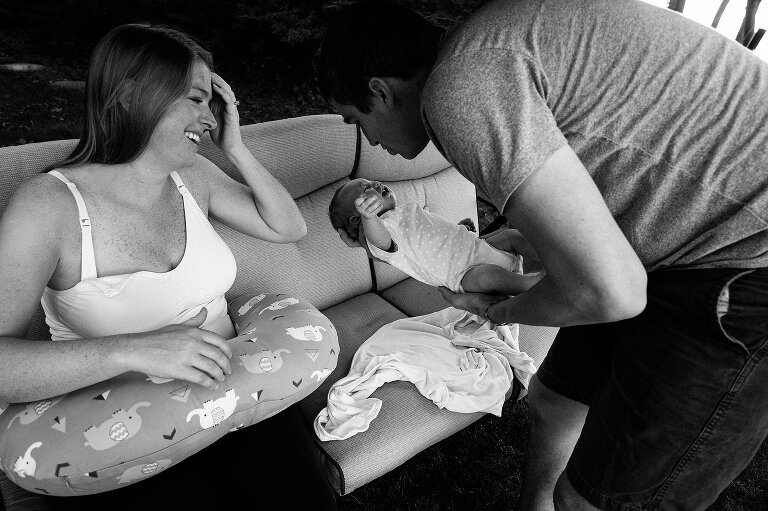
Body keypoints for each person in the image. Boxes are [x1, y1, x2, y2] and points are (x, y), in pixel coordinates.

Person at [317, 1, 768, 510]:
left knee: (592, 501)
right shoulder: (488, 47)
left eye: (355, 119)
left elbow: (608, 291)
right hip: (665, 247)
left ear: (380, 89)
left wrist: (496, 312)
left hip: (743, 259)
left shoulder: (459, 90)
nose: (369, 139)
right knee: (556, 402)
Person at [0, 23, 337, 510]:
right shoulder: (48, 206)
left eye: (212, 102)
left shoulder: (194, 176)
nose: (210, 115)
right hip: (117, 421)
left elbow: (288, 228)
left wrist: (235, 147)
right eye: (197, 99)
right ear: (132, 94)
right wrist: (135, 350)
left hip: (231, 385)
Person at [329, 177, 542, 298]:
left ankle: (555, 256)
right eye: (367, 189)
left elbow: (434, 236)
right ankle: (532, 284)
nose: (375, 184)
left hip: (476, 247)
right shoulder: (384, 229)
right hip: (464, 274)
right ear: (360, 218)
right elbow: (380, 243)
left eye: (371, 181)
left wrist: (459, 231)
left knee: (510, 236)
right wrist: (369, 219)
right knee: (489, 276)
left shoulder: (404, 212)